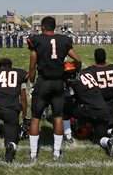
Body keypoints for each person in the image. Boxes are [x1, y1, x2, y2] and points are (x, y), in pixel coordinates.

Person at [26, 16, 81, 161]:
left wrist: (31, 81)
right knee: (58, 116)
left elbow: (32, 64)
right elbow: (77, 59)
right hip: (58, 83)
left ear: (43, 27)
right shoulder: (64, 40)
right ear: (54, 27)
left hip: (43, 82)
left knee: (36, 117)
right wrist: (69, 69)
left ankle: (33, 154)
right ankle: (56, 152)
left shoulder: (36, 40)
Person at [70, 48, 113, 144]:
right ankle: (110, 131)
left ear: (95, 57)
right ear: (105, 57)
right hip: (111, 105)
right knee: (102, 129)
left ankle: (84, 125)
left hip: (96, 102)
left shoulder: (90, 71)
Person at [0, 58, 28, 162]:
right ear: (11, 65)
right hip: (12, 110)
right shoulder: (20, 74)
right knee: (12, 136)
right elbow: (23, 97)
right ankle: (10, 149)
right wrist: (24, 116)